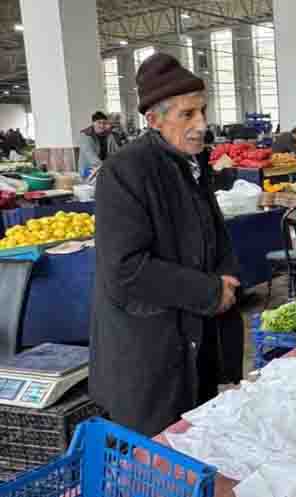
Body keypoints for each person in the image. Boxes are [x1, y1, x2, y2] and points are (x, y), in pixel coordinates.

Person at [91, 53, 243, 436]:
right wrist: (210, 292)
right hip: (149, 359)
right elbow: (126, 269)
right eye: (187, 115)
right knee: (155, 462)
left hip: (193, 343)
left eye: (203, 112)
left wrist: (227, 274)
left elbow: (209, 232)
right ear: (153, 120)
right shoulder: (125, 172)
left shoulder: (191, 164)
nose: (201, 125)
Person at [78, 111, 120, 178]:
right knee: (103, 180)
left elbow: (116, 153)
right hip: (88, 170)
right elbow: (91, 157)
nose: (102, 126)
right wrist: (106, 168)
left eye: (104, 123)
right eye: (99, 123)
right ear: (93, 123)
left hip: (104, 168)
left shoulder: (109, 135)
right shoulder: (86, 136)